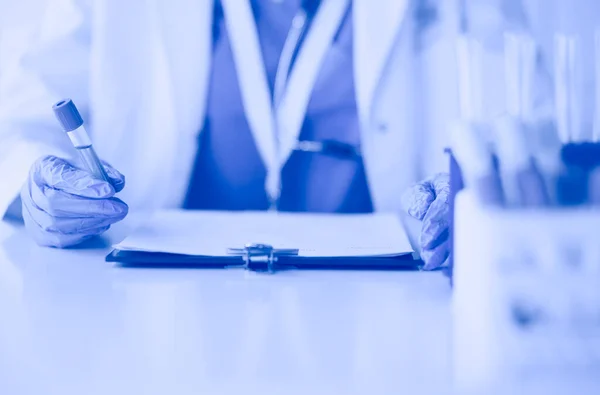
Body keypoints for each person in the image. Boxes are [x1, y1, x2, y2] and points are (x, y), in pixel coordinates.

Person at [0, 0, 537, 270]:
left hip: (386, 299)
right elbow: (23, 113)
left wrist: (474, 191)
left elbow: (518, 123)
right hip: (158, 297)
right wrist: (40, 185)